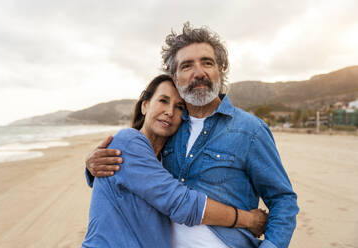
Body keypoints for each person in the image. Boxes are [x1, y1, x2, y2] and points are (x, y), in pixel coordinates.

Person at [86, 23, 299, 248]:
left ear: (221, 70)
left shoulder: (250, 130)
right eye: (187, 65)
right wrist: (93, 167)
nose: (199, 73)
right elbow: (145, 176)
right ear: (176, 79)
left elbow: (283, 200)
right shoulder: (170, 130)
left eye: (207, 62)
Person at [82, 75, 267, 248]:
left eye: (179, 107)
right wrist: (248, 220)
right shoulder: (129, 141)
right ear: (145, 106)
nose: (170, 112)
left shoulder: (167, 160)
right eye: (163, 101)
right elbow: (182, 203)